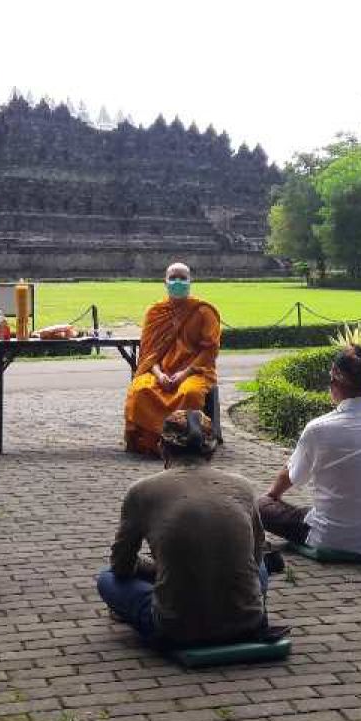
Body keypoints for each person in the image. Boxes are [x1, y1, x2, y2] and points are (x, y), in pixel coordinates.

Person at [98, 410, 270, 646]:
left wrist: (155, 568)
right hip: (247, 621)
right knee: (259, 567)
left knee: (107, 579)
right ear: (212, 450)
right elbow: (255, 555)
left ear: (162, 448)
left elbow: (121, 566)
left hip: (176, 628)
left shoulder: (141, 491)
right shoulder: (242, 486)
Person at [258, 345, 361, 557]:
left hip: (331, 537)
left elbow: (291, 476)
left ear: (335, 382)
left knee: (261, 506)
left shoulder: (319, 428)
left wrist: (271, 497)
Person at [123, 262, 220, 455]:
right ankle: (150, 441)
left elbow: (209, 351)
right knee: (140, 390)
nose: (178, 282)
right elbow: (149, 353)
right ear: (165, 282)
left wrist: (185, 373)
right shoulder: (155, 312)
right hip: (159, 370)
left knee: (189, 393)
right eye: (173, 278)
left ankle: (185, 441)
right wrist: (159, 375)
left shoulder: (203, 311)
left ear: (191, 281)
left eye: (182, 278)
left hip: (194, 370)